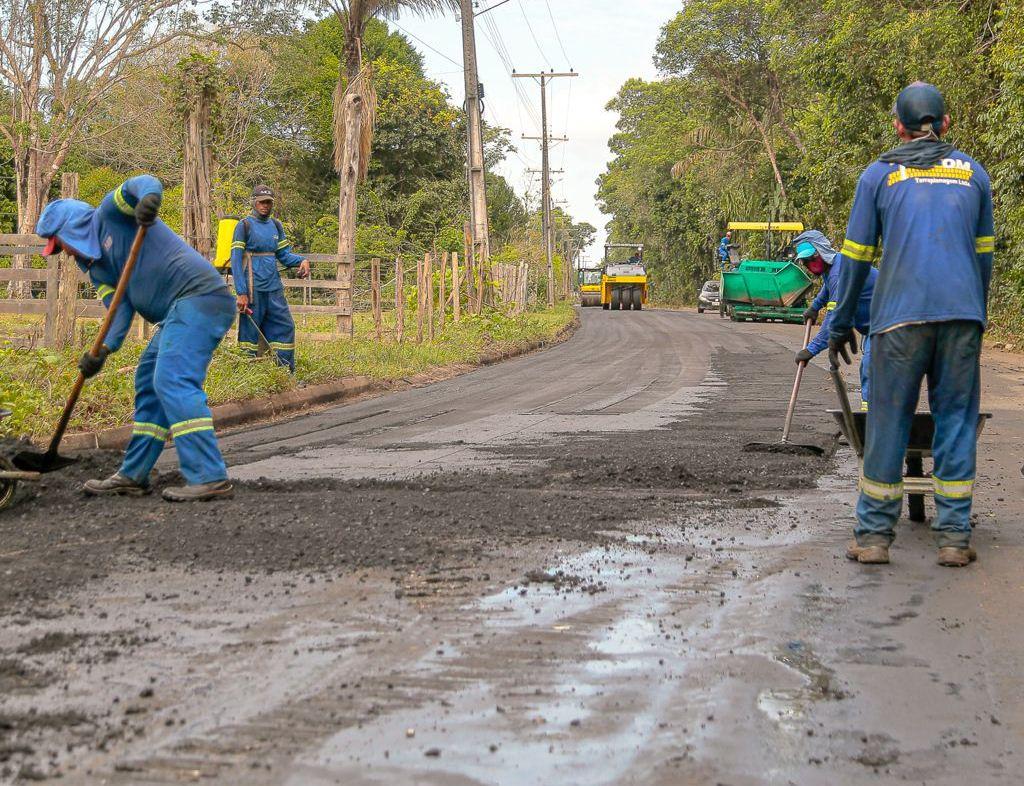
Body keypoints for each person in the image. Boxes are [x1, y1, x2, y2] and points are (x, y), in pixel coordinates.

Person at [829, 82, 994, 568]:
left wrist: (841, 323)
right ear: (945, 124)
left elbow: (854, 259)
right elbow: (983, 256)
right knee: (957, 422)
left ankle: (875, 538)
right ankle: (954, 539)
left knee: (887, 422)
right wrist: (974, 315)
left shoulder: (879, 176)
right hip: (962, 317)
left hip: (898, 321)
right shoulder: (975, 175)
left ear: (897, 126)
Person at [36, 175, 237, 502]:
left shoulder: (111, 213)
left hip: (200, 297)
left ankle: (209, 476)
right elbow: (117, 314)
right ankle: (134, 474)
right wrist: (100, 352)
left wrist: (148, 200)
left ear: (71, 229)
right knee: (149, 379)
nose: (64, 253)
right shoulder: (96, 269)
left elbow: (142, 183)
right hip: (176, 313)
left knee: (172, 378)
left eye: (60, 244)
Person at [791, 230, 877, 410]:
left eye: (811, 259)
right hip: (874, 326)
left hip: (891, 320)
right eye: (805, 262)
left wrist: (810, 350)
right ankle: (867, 425)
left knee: (873, 369)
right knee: (869, 371)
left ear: (821, 252)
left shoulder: (840, 272)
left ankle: (874, 424)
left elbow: (834, 320)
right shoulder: (833, 267)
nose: (809, 265)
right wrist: (815, 307)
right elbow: (827, 289)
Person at [229, 185, 309, 373]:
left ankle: (285, 374)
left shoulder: (276, 226)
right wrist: (241, 292)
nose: (265, 205)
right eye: (262, 202)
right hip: (252, 289)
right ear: (254, 202)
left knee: (286, 327)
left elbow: (284, 255)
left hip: (273, 288)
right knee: (249, 335)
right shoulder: (244, 226)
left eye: (269, 202)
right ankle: (246, 376)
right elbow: (235, 260)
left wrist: (302, 260)